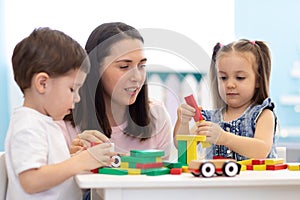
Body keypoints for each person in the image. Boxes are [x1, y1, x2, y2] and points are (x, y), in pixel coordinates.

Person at [5, 27, 114, 200]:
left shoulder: (45, 122)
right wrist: (78, 162)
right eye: (72, 89)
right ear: (42, 83)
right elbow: (31, 180)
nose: (77, 98)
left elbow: (51, 169)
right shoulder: (28, 125)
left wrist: (77, 157)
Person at [63, 22, 173, 160]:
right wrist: (71, 159)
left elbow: (163, 178)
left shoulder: (157, 116)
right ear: (95, 68)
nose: (137, 77)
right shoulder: (65, 122)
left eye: (142, 65)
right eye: (124, 66)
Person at [174, 39, 278, 161]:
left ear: (258, 81)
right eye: (223, 78)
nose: (229, 84)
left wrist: (224, 138)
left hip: (255, 180)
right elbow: (183, 147)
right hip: (218, 180)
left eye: (240, 78)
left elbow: (261, 150)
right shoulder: (209, 120)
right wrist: (183, 122)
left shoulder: (262, 114)